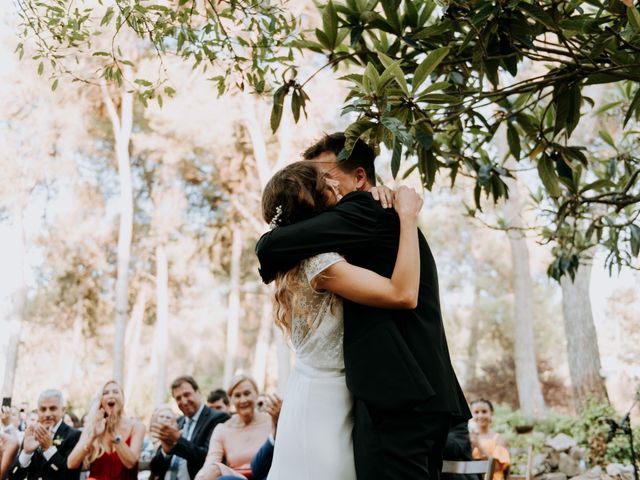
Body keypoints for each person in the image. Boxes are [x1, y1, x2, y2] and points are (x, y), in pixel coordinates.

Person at [255, 133, 471, 480]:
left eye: (327, 175)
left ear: (359, 177)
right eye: (318, 181)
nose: (326, 186)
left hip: (399, 396)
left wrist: (401, 208)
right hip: (398, 393)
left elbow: (270, 246)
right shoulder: (357, 227)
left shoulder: (366, 209)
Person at [149, 375, 230, 480]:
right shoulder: (177, 422)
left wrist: (178, 440)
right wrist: (165, 451)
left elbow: (209, 459)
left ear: (198, 392)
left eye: (187, 395)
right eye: (178, 398)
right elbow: (155, 469)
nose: (183, 401)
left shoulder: (218, 419)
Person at [195, 375, 271, 480]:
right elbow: (210, 463)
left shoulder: (272, 422)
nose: (243, 400)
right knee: (214, 470)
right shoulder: (222, 429)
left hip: (267, 476)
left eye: (247, 393)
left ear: (256, 394)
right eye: (237, 395)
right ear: (231, 400)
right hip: (235, 478)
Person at [67, 380, 145, 480]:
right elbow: (71, 464)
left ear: (123, 399)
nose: (111, 396)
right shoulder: (92, 426)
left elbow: (130, 463)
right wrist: (92, 436)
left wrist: (114, 435)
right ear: (101, 400)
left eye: (115, 392)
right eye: (105, 393)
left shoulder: (137, 426)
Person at [8, 389, 82, 480]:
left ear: (62, 410)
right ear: (38, 411)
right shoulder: (31, 434)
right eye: (43, 409)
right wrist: (26, 453)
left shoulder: (74, 435)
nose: (47, 414)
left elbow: (71, 476)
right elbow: (13, 477)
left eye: (52, 408)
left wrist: (49, 450)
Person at [469, 399, 509, 480]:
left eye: (484, 412)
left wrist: (479, 447)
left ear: (491, 414)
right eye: (476, 412)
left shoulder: (498, 439)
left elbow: (497, 467)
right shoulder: (468, 438)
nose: (480, 416)